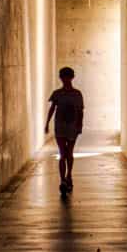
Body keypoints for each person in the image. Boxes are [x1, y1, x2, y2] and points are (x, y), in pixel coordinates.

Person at [45, 66, 84, 196]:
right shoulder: (57, 93)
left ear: (72, 77)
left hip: (72, 127)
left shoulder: (77, 94)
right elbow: (52, 109)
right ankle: (63, 180)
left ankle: (69, 176)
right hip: (60, 127)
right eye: (63, 77)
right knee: (63, 154)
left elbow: (80, 111)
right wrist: (47, 123)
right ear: (61, 78)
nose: (65, 79)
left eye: (67, 77)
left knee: (69, 153)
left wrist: (80, 125)